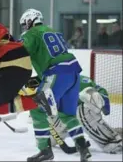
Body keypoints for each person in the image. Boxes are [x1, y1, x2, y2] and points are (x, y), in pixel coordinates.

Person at [19, 9, 91, 162]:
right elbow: (49, 55)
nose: (24, 28)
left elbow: (20, 52)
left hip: (56, 72)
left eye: (25, 24)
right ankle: (83, 148)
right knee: (67, 115)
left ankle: (45, 150)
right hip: (73, 73)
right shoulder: (53, 31)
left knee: (37, 109)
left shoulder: (30, 34)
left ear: (29, 21)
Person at [25, 75, 122, 161]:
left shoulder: (80, 81)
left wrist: (102, 98)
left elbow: (100, 91)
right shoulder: (44, 81)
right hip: (57, 119)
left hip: (75, 115)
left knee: (85, 105)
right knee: (47, 141)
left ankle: (113, 141)